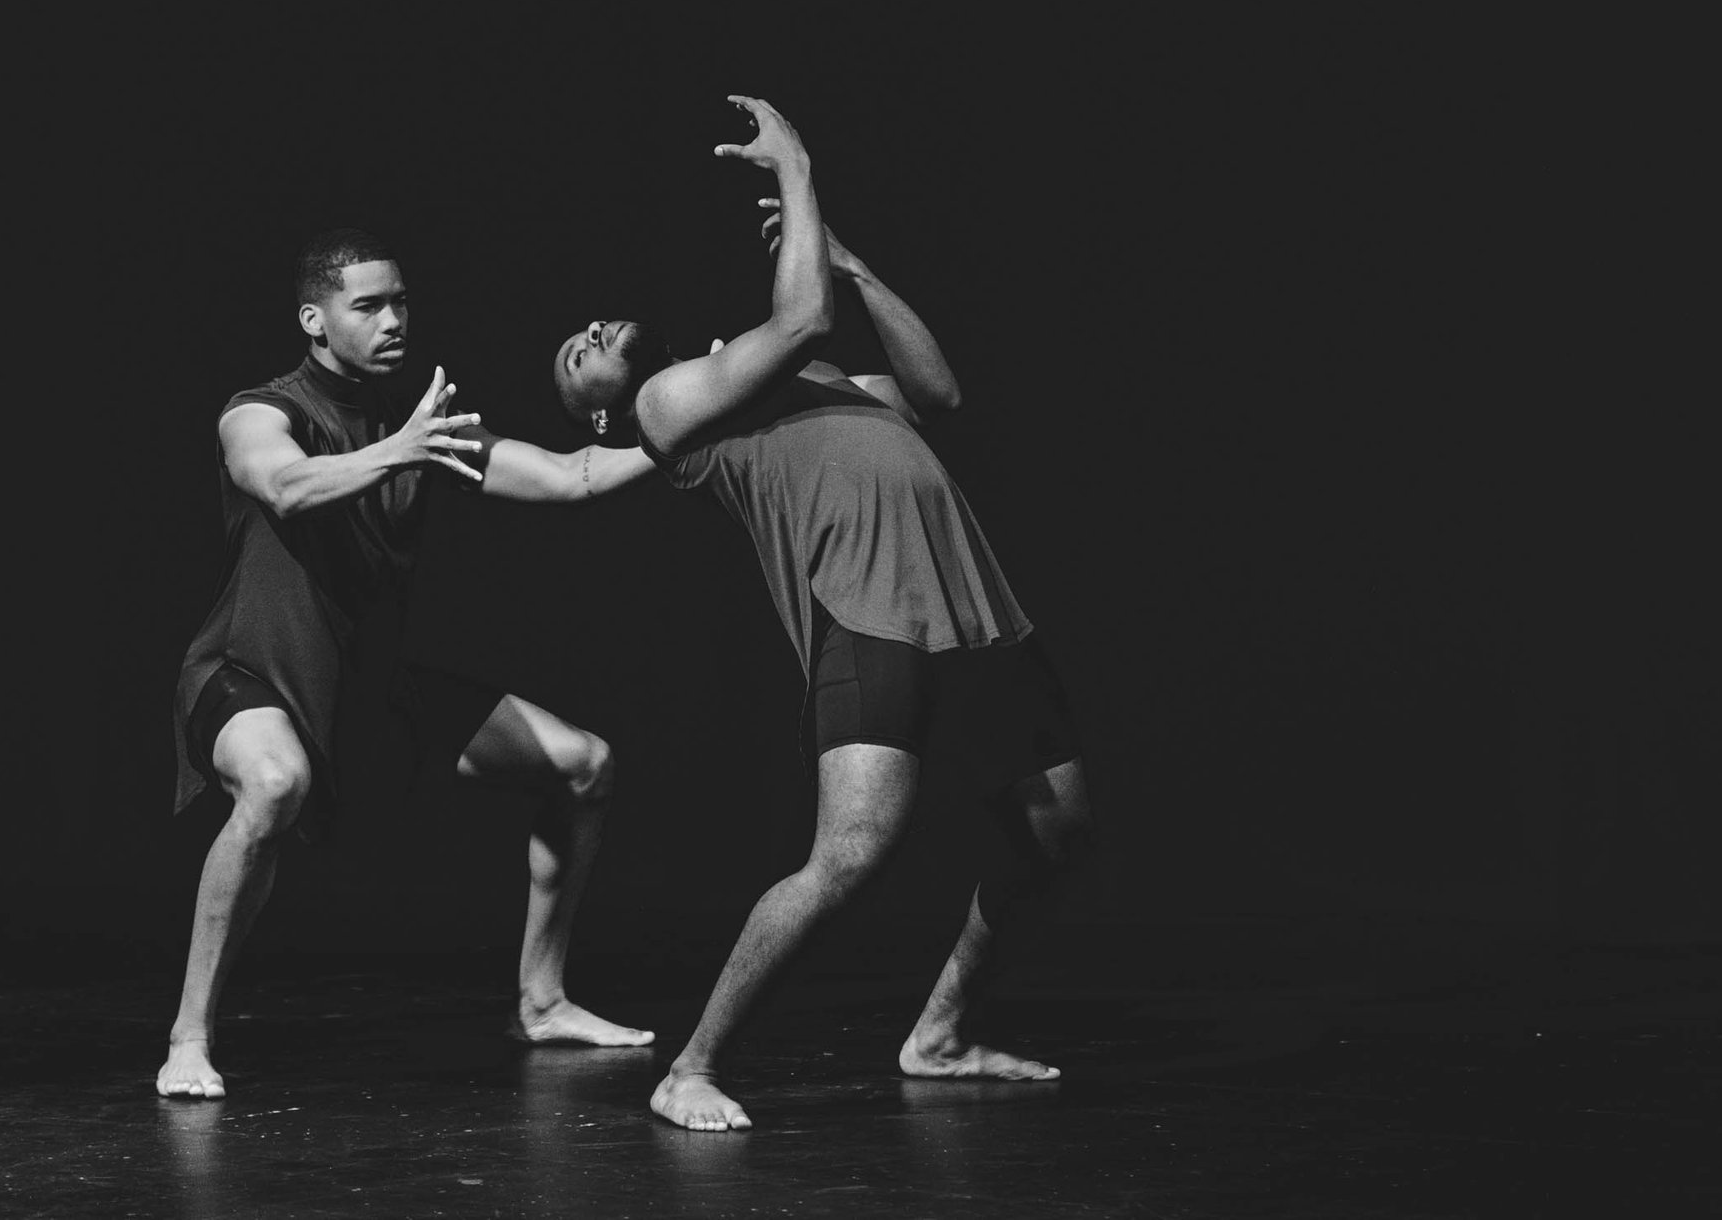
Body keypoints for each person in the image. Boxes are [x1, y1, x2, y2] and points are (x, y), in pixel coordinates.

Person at [548, 97, 1094, 1132]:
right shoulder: (673, 406)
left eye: (584, 330)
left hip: (977, 613)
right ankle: (692, 1065)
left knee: (1057, 830)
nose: (585, 336)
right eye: (575, 358)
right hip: (869, 614)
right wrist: (797, 165)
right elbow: (794, 314)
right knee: (846, 854)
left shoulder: (807, 378)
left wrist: (854, 267)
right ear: (608, 412)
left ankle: (937, 1033)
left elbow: (936, 391)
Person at [158, 228, 658, 1101]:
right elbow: (280, 483)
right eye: (369, 305)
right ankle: (188, 1036)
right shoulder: (262, 408)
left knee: (586, 764)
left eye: (401, 300)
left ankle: (542, 1000)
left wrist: (691, 431)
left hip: (370, 692)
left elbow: (572, 473)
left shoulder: (417, 422)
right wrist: (399, 451)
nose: (395, 318)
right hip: (249, 676)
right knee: (273, 784)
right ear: (314, 318)